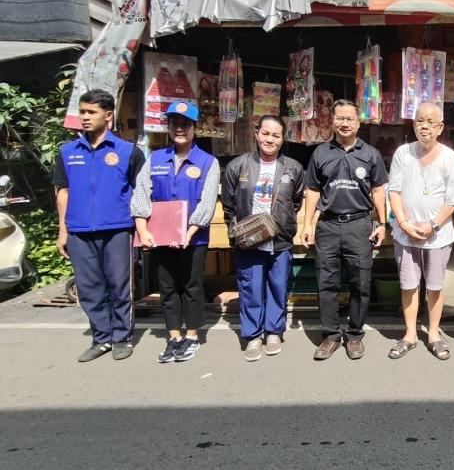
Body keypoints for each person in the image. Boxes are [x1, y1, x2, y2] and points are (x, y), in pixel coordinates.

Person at [53, 89, 146, 362]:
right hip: (79, 231)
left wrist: (140, 229)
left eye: (91, 112)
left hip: (118, 228)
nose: (84, 117)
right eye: (82, 111)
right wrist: (63, 230)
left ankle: (121, 337)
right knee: (89, 288)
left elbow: (140, 192)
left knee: (120, 285)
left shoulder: (128, 152)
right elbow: (63, 192)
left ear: (108, 116)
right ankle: (101, 338)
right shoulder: (68, 152)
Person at [131, 101, 220, 363]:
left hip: (194, 237)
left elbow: (207, 202)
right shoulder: (155, 159)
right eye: (174, 123)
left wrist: (189, 232)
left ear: (195, 128)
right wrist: (143, 231)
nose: (179, 128)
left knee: (192, 286)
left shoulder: (207, 162)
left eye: (185, 124)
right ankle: (173, 337)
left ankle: (191, 335)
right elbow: (141, 196)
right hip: (160, 238)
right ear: (168, 127)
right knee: (167, 288)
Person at [302, 99, 388, 361]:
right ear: (333, 121)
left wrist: (382, 224)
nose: (345, 123)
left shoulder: (371, 154)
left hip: (359, 225)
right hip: (328, 225)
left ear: (358, 123)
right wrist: (308, 224)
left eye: (350, 119)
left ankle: (354, 336)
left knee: (360, 284)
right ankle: (330, 336)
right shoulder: (321, 153)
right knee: (326, 283)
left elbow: (378, 191)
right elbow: (313, 190)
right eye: (340, 118)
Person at [221, 115, 305, 362]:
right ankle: (253, 335)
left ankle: (273, 332)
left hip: (280, 239)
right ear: (256, 134)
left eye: (276, 135)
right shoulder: (238, 166)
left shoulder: (293, 168)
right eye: (266, 133)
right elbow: (228, 204)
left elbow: (296, 201)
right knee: (250, 288)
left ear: (282, 139)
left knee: (278, 287)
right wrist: (237, 231)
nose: (270, 139)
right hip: (248, 241)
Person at [386, 103, 454, 360]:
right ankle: (409, 334)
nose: (425, 126)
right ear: (413, 124)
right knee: (408, 285)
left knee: (435, 286)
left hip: (438, 235)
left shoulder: (449, 157)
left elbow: (453, 200)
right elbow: (393, 191)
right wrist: (404, 223)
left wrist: (432, 225)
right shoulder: (402, 153)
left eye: (431, 122)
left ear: (440, 127)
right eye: (420, 121)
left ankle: (433, 333)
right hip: (405, 233)